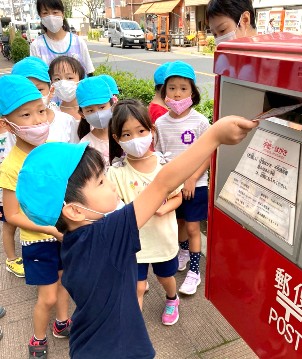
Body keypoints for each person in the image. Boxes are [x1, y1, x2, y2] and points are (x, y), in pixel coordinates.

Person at [15, 115, 258, 359]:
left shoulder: (72, 238)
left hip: (87, 344)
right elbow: (163, 183)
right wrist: (214, 136)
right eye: (100, 181)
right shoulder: (105, 235)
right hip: (121, 351)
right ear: (74, 210)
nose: (110, 185)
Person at [0, 75, 71, 359]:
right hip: (37, 241)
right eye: (26, 115)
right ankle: (37, 338)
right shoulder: (10, 166)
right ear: (7, 124)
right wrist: (49, 229)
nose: (38, 120)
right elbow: (11, 214)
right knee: (48, 295)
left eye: (40, 110)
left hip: (62, 235)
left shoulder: (51, 151)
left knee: (65, 282)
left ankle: (62, 323)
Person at [107, 99, 182, 325]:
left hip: (162, 239)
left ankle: (172, 298)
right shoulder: (116, 172)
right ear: (117, 139)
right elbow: (113, 206)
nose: (136, 139)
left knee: (165, 277)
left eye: (141, 131)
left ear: (152, 130)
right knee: (138, 286)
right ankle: (132, 330)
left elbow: (178, 197)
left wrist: (162, 208)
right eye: (127, 135)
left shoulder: (164, 167)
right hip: (134, 244)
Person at [155, 61, 210, 295]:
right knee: (177, 224)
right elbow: (159, 155)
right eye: (172, 88)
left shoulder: (199, 122)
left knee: (193, 227)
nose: (177, 93)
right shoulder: (159, 123)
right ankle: (184, 251)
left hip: (195, 185)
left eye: (184, 88)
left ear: (193, 92)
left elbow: (208, 154)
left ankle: (194, 272)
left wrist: (191, 179)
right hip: (172, 188)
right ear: (164, 91)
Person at [12, 56, 78, 143]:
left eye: (39, 90)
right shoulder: (10, 128)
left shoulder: (66, 122)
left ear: (51, 90)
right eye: (24, 90)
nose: (32, 96)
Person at [30, 0, 94, 76]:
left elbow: (89, 72)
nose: (51, 17)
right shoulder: (36, 45)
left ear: (63, 14)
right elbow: (37, 78)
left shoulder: (78, 42)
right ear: (40, 16)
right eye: (45, 13)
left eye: (55, 12)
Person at [0, 113, 21, 277]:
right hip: (3, 190)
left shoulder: (12, 131)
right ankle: (11, 259)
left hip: (19, 182)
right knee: (9, 224)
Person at [76, 76, 114, 167]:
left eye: (102, 107)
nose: (98, 114)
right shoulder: (85, 145)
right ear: (82, 114)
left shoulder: (125, 133)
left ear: (113, 105)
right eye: (90, 110)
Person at [49, 55, 86, 122]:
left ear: (80, 80)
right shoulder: (52, 112)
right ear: (52, 83)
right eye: (57, 79)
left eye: (69, 78)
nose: (63, 83)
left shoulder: (90, 109)